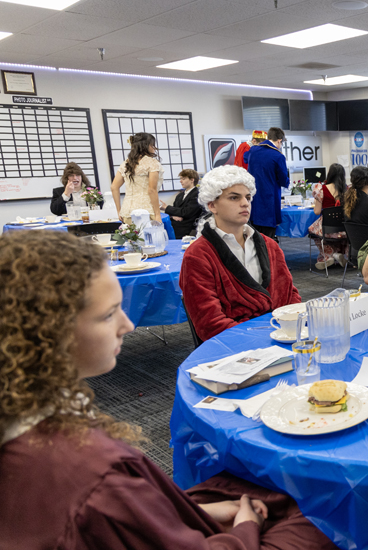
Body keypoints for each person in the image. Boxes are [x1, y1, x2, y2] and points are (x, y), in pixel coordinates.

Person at [0, 230, 335, 550]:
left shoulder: (26, 419)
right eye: (107, 315)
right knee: (325, 512)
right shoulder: (91, 474)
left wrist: (193, 513)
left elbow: (132, 525)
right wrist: (245, 528)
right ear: (46, 334)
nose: (128, 325)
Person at [180, 165, 300, 342]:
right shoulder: (197, 256)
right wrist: (261, 337)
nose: (245, 203)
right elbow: (210, 324)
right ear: (212, 205)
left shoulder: (270, 246)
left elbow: (291, 298)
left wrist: (290, 330)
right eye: (234, 197)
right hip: (233, 347)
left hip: (282, 338)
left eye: (248, 197)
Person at [246, 126, 289, 239]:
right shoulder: (278, 156)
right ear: (279, 141)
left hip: (253, 202)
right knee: (268, 240)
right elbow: (283, 180)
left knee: (253, 239)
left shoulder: (253, 151)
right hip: (269, 202)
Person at [110, 132, 163, 223]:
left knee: (131, 237)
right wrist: (158, 214)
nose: (154, 148)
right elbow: (151, 190)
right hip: (146, 211)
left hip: (127, 212)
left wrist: (119, 211)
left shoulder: (126, 163)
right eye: (152, 145)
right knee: (148, 237)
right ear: (145, 146)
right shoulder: (152, 163)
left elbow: (114, 187)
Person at [308, 163, 348, 270]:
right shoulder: (347, 190)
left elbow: (316, 211)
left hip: (327, 227)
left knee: (312, 231)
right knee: (339, 237)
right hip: (344, 228)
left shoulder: (321, 189)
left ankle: (328, 255)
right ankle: (339, 254)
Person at [160, 168, 203, 239]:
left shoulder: (197, 194)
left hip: (187, 227)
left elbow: (186, 212)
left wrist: (166, 208)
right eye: (180, 179)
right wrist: (173, 216)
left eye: (183, 178)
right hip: (177, 224)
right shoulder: (180, 196)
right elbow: (174, 211)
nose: (180, 181)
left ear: (192, 180)